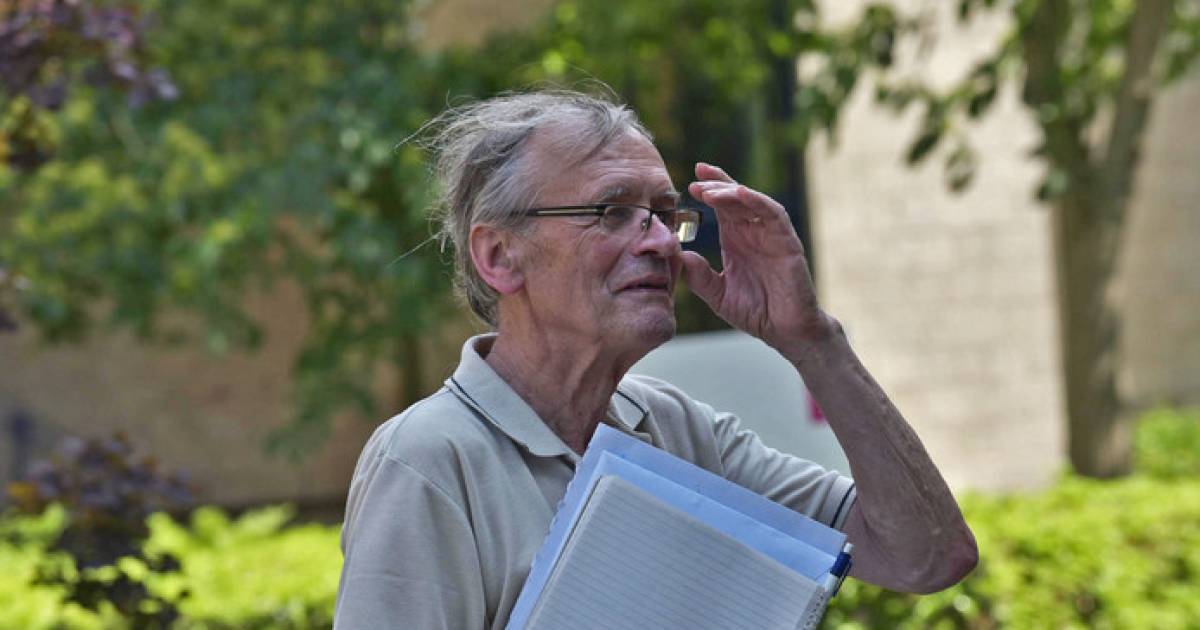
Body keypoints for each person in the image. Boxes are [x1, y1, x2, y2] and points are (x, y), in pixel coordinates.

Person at [333, 89, 977, 629]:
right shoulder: (427, 459)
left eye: (668, 215)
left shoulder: (677, 430)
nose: (662, 242)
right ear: (500, 256)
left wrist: (812, 340)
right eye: (613, 212)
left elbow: (927, 558)